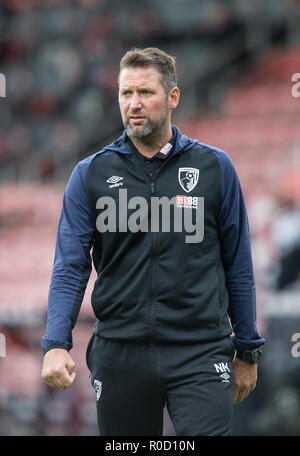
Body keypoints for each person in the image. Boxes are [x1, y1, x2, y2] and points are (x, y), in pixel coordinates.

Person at [41, 47, 265, 436]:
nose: (134, 104)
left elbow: (238, 265)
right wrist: (56, 342)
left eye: (145, 92)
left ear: (173, 97)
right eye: (126, 94)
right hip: (120, 354)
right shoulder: (89, 174)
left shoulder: (215, 167)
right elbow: (70, 266)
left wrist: (247, 349)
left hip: (200, 351)